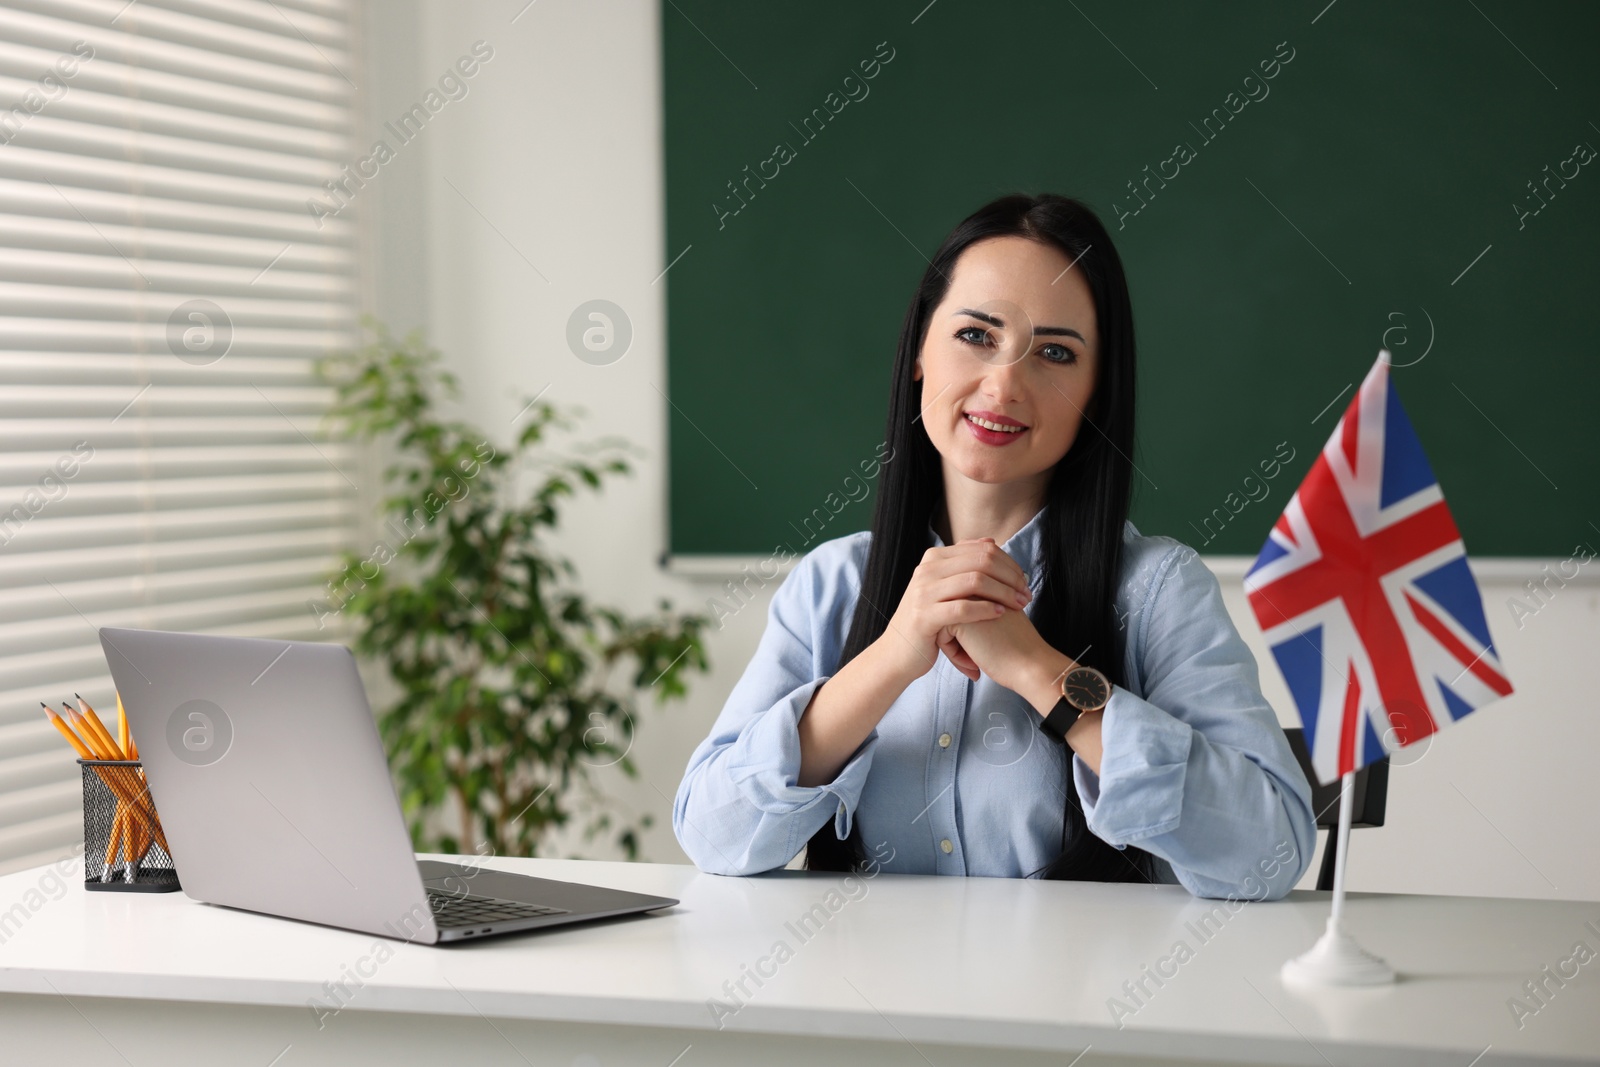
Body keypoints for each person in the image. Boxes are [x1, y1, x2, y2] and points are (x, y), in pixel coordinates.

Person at [672, 193, 1316, 900]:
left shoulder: (1158, 590)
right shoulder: (830, 586)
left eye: (1056, 353)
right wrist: (891, 655)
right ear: (920, 349)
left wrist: (1039, 670)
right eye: (976, 335)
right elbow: (713, 836)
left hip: (1082, 1007)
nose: (1005, 383)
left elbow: (1271, 852)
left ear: (1097, 392)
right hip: (857, 1003)